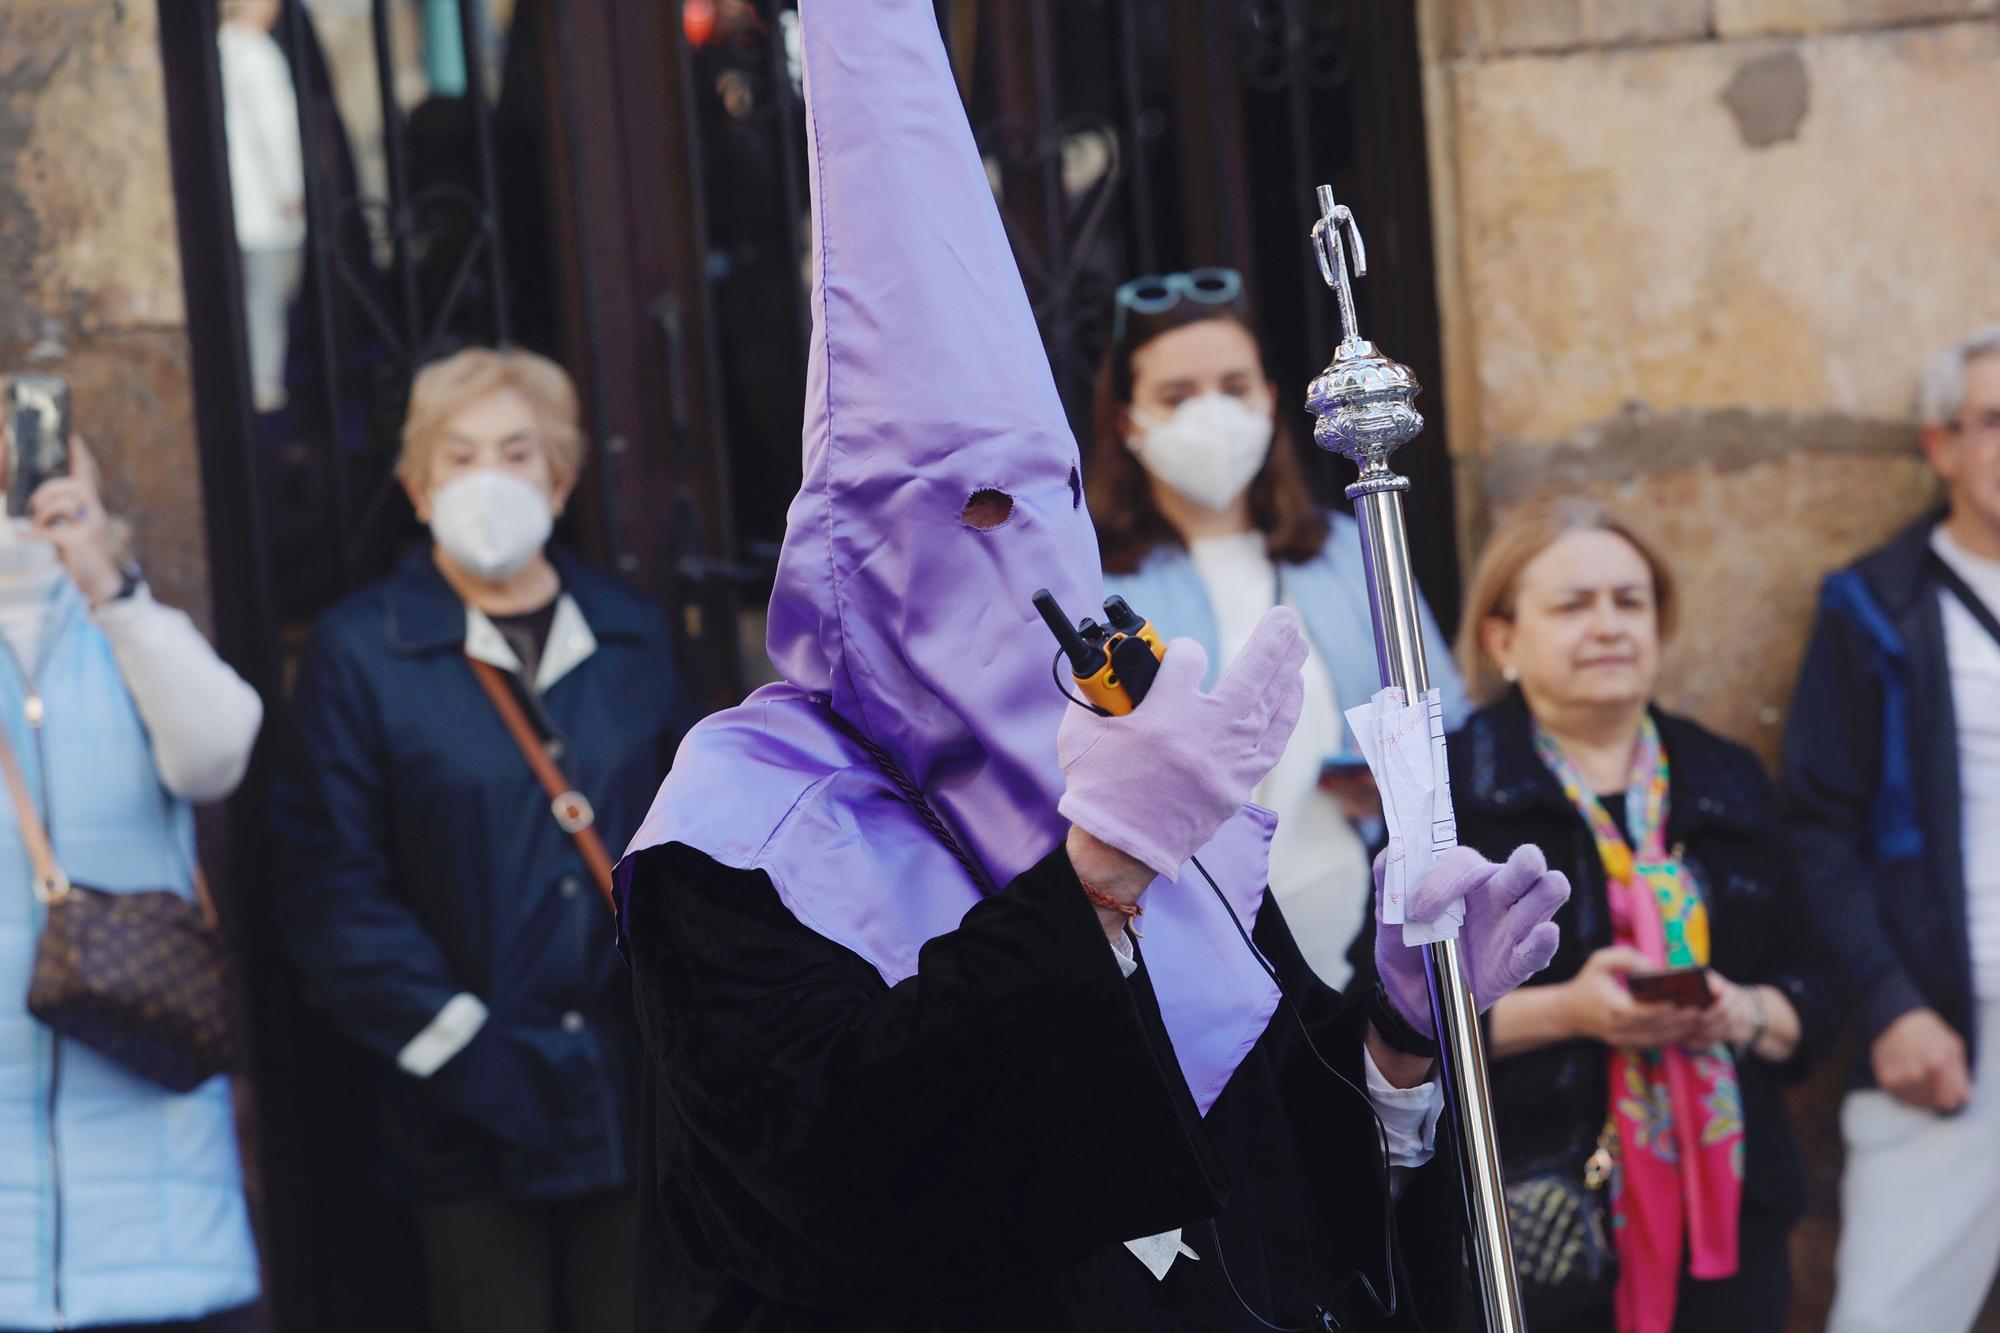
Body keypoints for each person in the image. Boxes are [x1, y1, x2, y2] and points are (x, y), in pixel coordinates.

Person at [614, 3, 1569, 1329]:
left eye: (1044, 512)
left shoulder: (1128, 728)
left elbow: (1291, 1186)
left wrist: (1404, 1029)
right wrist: (1092, 880)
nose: (1020, 574)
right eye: (963, 523)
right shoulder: (733, 835)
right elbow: (819, 1181)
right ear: (847, 569)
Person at [269, 348, 691, 1333]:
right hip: (464, 1108)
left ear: (562, 475)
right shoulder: (359, 650)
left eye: (516, 451)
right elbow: (329, 879)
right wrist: (459, 1044)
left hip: (631, 1091)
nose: (488, 478)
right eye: (458, 456)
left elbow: (696, 842)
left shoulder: (631, 636)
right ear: (417, 485)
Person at [1447, 498, 1836, 1332]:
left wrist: (1743, 1011)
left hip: (1730, 1217)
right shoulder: (1456, 793)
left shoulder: (1722, 774)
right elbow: (1395, 1013)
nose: (1610, 625)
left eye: (1631, 601)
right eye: (1573, 604)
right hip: (1543, 1213)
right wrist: (1569, 1012)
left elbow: (1817, 978)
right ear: (1502, 640)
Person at [1090, 292, 1467, 988]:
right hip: (1175, 952)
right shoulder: (1094, 580)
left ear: (1268, 399)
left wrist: (1386, 778)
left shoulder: (1351, 551)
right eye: (1177, 395)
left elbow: (1450, 726)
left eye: (1233, 388)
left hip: (1355, 943)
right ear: (1127, 421)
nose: (1214, 414)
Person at [0, 431, 263, 1330]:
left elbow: (217, 754)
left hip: (155, 1180)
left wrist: (106, 584)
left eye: (30, 465)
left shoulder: (133, 631)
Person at [1784, 323, 2000, 1333]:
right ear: (1939, 443)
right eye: (1992, 419)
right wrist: (1889, 1003)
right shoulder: (1873, 604)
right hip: (1954, 1034)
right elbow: (1815, 827)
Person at [218, 0, 306, 414]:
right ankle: (263, 385)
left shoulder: (220, 47)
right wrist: (291, 187)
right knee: (265, 297)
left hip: (235, 200)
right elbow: (277, 128)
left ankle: (245, 377)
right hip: (261, 202)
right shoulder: (258, 53)